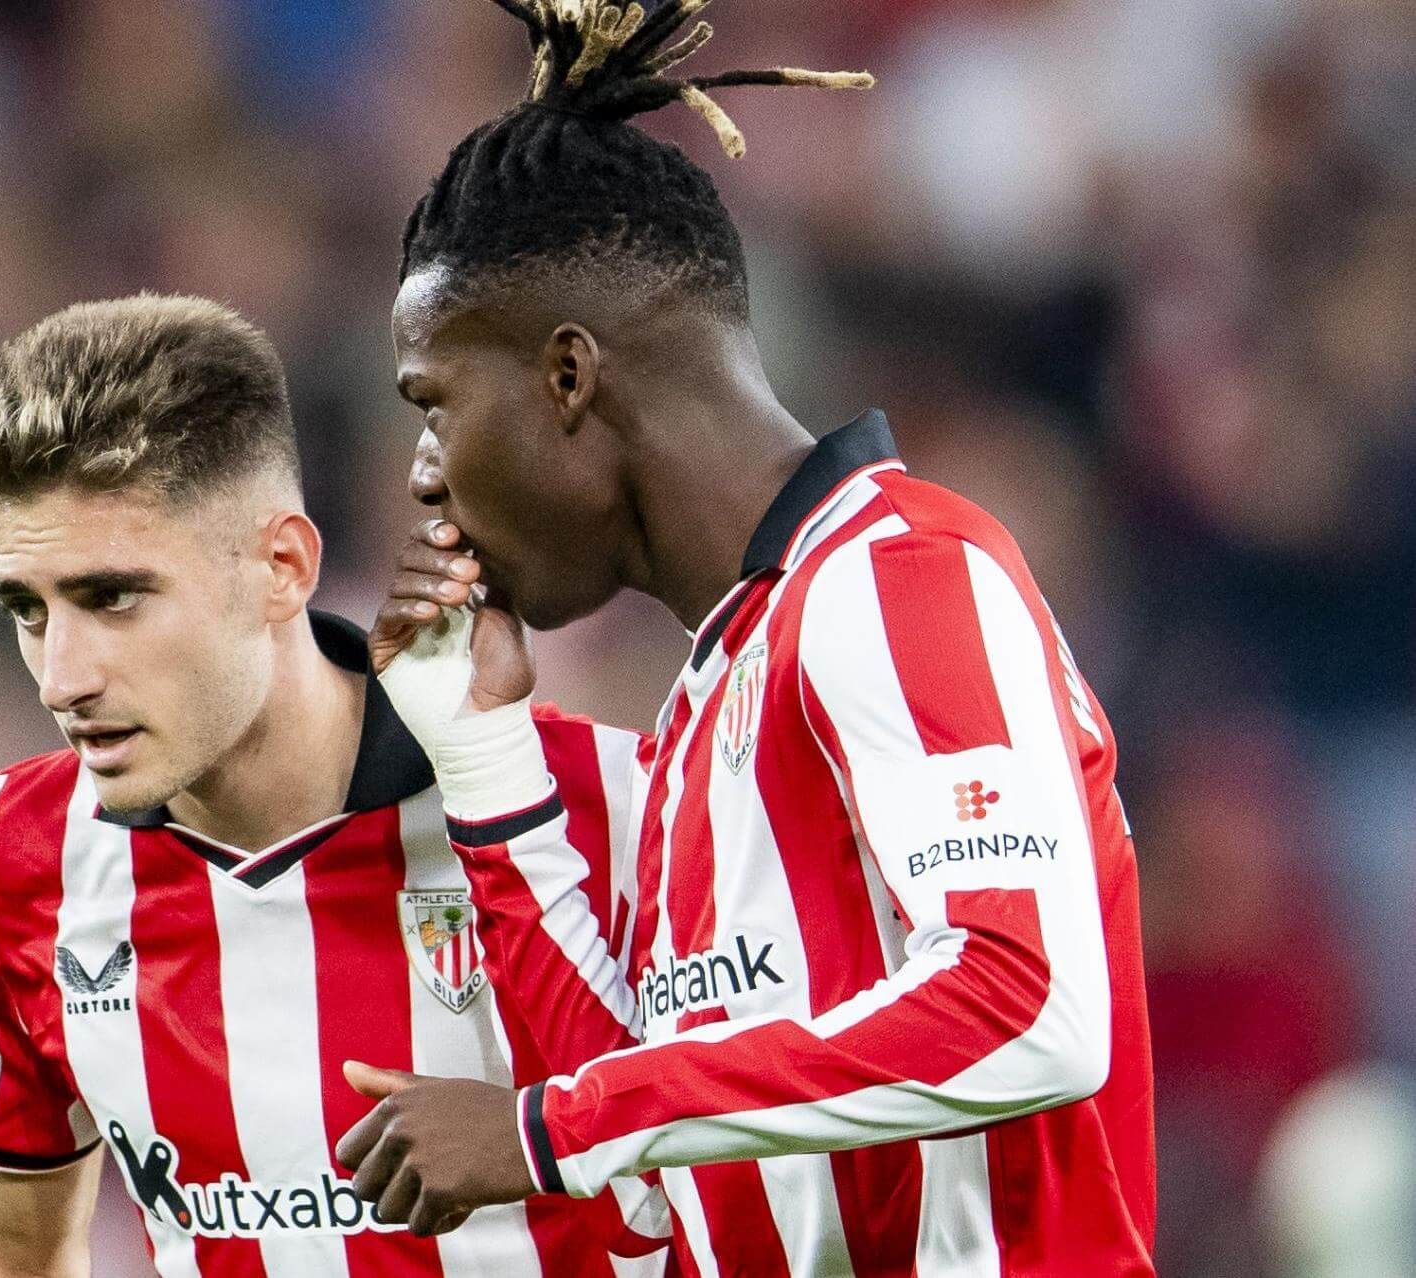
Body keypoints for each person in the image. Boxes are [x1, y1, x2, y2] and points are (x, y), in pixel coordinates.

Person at [335, 3, 1157, 1274]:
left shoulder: (901, 575)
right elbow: (640, 1193)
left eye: (433, 408)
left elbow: (1029, 1008)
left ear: (567, 376)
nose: (426, 478)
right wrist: (489, 766)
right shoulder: (702, 714)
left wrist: (557, 1128)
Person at [0, 294, 670, 1277]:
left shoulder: (604, 807)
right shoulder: (15, 855)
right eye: (28, 610)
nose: (62, 677)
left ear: (281, 567)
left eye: (113, 598)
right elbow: (15, 1249)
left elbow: (758, 1206)